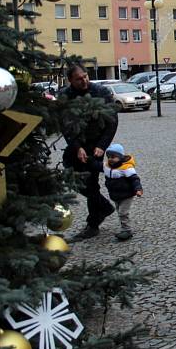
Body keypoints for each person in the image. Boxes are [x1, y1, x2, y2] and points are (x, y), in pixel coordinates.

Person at [60, 64, 118, 241]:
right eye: (79, 78)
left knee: (91, 182)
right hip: (76, 146)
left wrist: (102, 145)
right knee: (73, 178)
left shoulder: (101, 91)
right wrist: (77, 147)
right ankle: (105, 207)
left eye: (85, 76)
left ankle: (92, 225)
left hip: (95, 146)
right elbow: (65, 125)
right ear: (70, 80)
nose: (84, 80)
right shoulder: (65, 96)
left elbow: (112, 121)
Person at [103, 143, 143, 241]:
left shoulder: (126, 167)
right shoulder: (108, 166)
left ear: (120, 157)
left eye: (113, 157)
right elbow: (98, 166)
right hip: (115, 194)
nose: (110, 159)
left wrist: (138, 189)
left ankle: (127, 230)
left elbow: (134, 179)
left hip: (127, 194)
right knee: (119, 212)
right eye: (109, 157)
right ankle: (124, 228)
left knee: (123, 212)